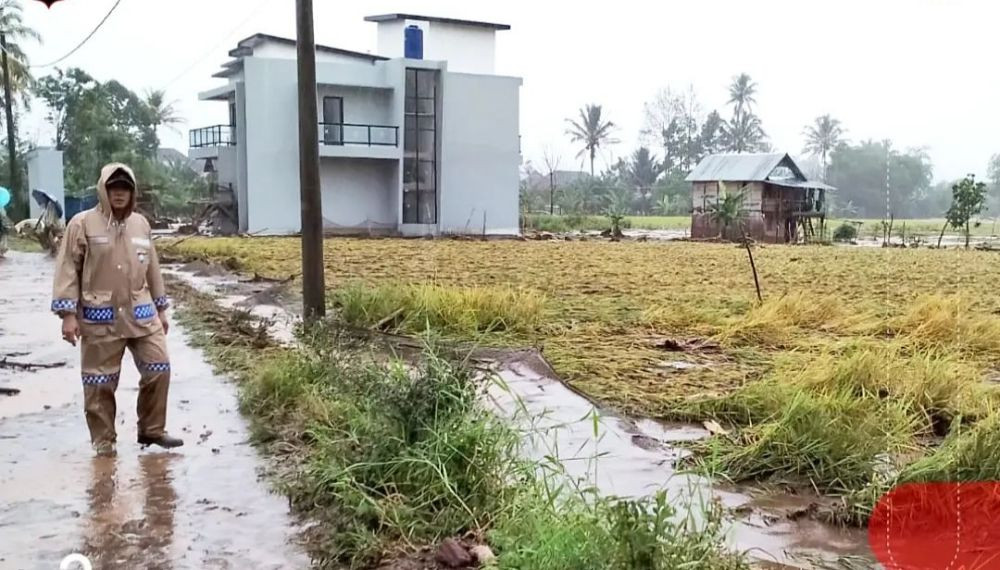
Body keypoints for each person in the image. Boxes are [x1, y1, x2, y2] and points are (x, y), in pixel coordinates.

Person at [51, 163, 183, 456]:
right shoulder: (82, 224)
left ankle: (151, 429)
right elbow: (68, 269)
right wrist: (68, 315)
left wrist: (161, 309)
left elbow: (153, 270)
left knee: (159, 367)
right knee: (100, 383)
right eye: (114, 188)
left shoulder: (141, 225)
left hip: (141, 313)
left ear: (132, 192)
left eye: (125, 188)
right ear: (103, 190)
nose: (119, 194)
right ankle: (104, 443)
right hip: (100, 316)